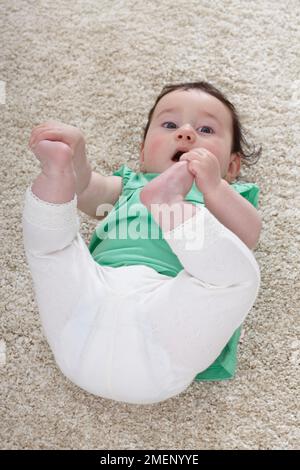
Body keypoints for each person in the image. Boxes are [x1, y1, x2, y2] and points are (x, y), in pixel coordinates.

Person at [22, 81, 262, 404]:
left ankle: (171, 208)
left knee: (238, 275)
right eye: (169, 124)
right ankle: (55, 174)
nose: (186, 133)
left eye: (206, 129)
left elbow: (247, 236)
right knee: (56, 249)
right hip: (89, 300)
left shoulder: (221, 195)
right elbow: (87, 193)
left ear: (232, 166)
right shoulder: (130, 185)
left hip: (164, 325)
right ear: (143, 151)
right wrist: (76, 163)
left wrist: (215, 187)